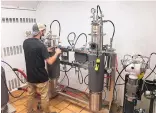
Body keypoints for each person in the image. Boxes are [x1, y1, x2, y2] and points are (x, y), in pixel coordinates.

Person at [23, 23, 61, 113]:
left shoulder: (26, 42)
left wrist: (45, 50)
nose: (44, 32)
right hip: (41, 76)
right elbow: (50, 62)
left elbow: (34, 51)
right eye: (43, 31)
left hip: (30, 75)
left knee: (30, 95)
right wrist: (56, 53)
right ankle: (46, 111)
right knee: (44, 96)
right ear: (40, 31)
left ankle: (29, 111)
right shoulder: (41, 45)